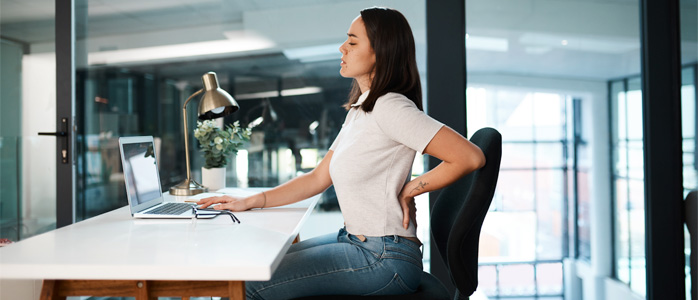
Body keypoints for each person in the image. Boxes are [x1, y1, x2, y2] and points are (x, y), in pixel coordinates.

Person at [197, 7, 486, 299]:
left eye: (353, 41)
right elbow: (319, 177)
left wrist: (409, 190)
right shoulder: (362, 108)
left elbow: (470, 157)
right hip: (357, 242)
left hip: (383, 258)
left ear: (380, 52)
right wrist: (251, 201)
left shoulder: (391, 107)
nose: (342, 48)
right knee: (258, 266)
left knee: (248, 287)